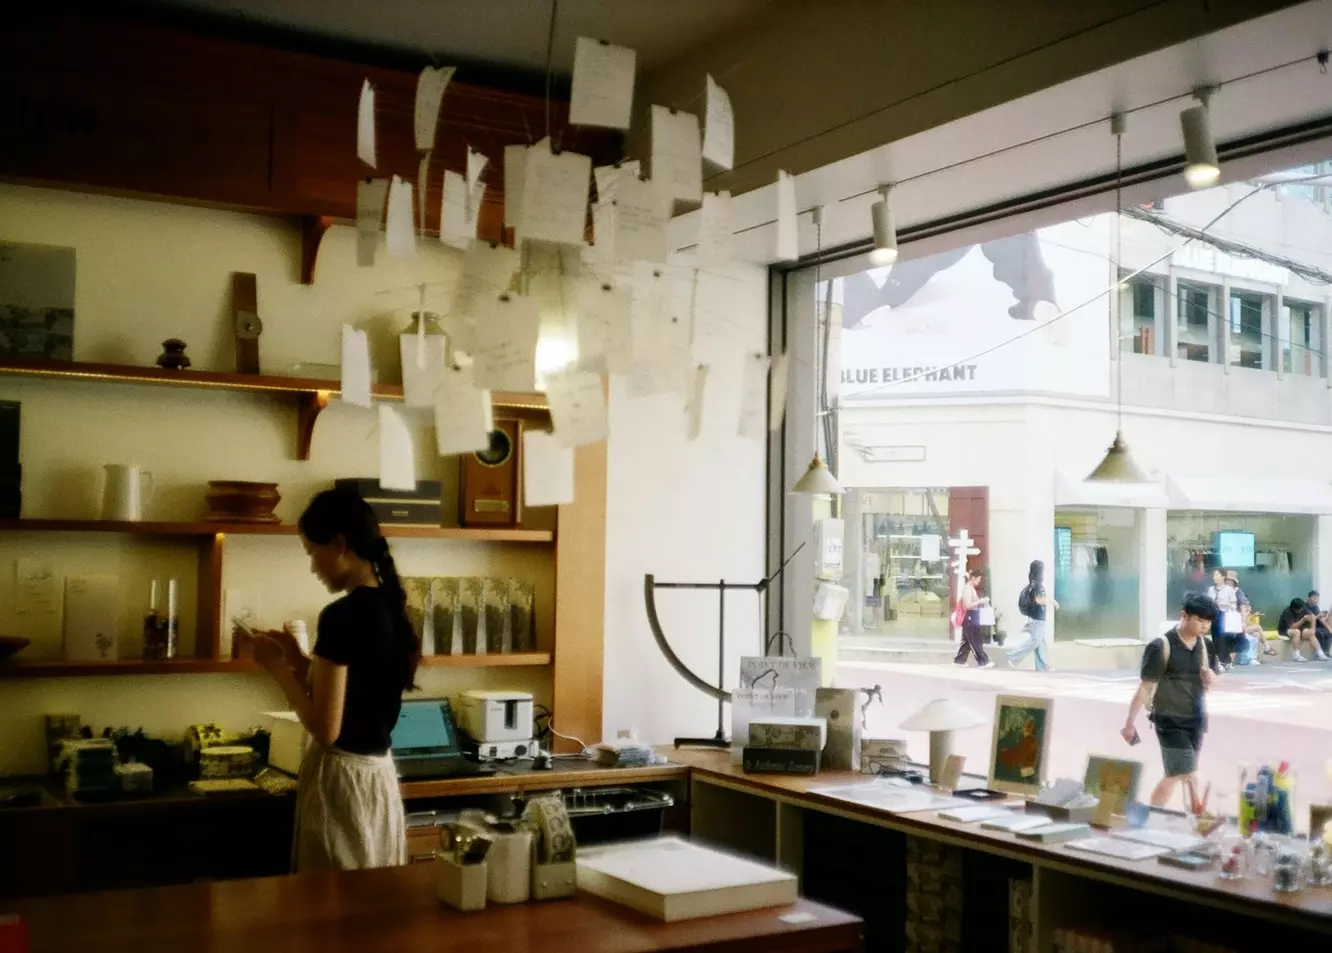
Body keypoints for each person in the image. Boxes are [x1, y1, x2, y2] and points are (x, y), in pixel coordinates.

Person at [240, 489, 419, 872]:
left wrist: (276, 670)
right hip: (379, 778)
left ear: (339, 544)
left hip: (343, 784)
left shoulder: (341, 615)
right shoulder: (390, 607)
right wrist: (298, 660)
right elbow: (357, 693)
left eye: (312, 552)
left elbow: (326, 728)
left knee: (332, 902)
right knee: (372, 899)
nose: (312, 567)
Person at [1121, 592, 1220, 808]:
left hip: (1196, 720)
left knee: (1175, 775)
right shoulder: (1160, 646)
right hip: (1169, 720)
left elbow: (1212, 680)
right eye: (1200, 620)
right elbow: (1146, 686)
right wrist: (1129, 723)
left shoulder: (1206, 646)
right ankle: (1197, 818)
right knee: (1190, 774)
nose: (1204, 626)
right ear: (1184, 615)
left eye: (1208, 622)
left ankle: (1154, 812)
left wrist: (1211, 679)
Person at [1009, 560, 1057, 672]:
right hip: (1037, 619)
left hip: (1035, 618)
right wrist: (1052, 602)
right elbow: (1038, 600)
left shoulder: (1032, 584)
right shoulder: (1037, 585)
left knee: (1040, 643)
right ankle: (1013, 657)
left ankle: (1042, 667)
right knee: (1035, 641)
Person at [953, 569, 993, 668]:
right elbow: (968, 605)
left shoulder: (970, 587)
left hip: (972, 617)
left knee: (967, 641)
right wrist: (981, 601)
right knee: (975, 640)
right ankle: (983, 661)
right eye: (978, 579)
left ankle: (959, 661)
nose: (979, 581)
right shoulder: (967, 589)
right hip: (970, 617)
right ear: (974, 578)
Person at [1206, 569, 1238, 670]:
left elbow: (1234, 603)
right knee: (1215, 637)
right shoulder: (1211, 589)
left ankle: (1223, 660)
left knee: (1223, 637)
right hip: (1214, 615)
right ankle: (1220, 660)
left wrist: (1228, 606)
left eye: (1217, 575)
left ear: (1223, 577)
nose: (1214, 577)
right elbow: (1208, 602)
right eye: (1214, 575)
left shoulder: (1229, 590)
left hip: (1225, 615)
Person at [1277, 598, 1326, 663]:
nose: (1302, 610)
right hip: (1285, 630)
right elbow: (1292, 627)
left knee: (1310, 633)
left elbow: (1313, 617)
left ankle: (1321, 654)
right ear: (1294, 609)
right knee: (1296, 632)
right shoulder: (1287, 611)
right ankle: (1297, 656)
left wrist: (1312, 629)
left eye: (1302, 608)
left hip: (1299, 628)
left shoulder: (1303, 608)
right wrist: (1303, 620)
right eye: (1300, 609)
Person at [1306, 590, 1332, 656]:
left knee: (1328, 633)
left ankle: (1326, 652)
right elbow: (1308, 620)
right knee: (1320, 634)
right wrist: (1318, 616)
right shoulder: (1304, 607)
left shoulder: (1316, 607)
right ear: (1309, 598)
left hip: (1317, 627)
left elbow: (1321, 620)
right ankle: (1319, 653)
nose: (1316, 600)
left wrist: (1329, 629)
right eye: (1314, 598)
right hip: (1308, 627)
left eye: (1317, 599)